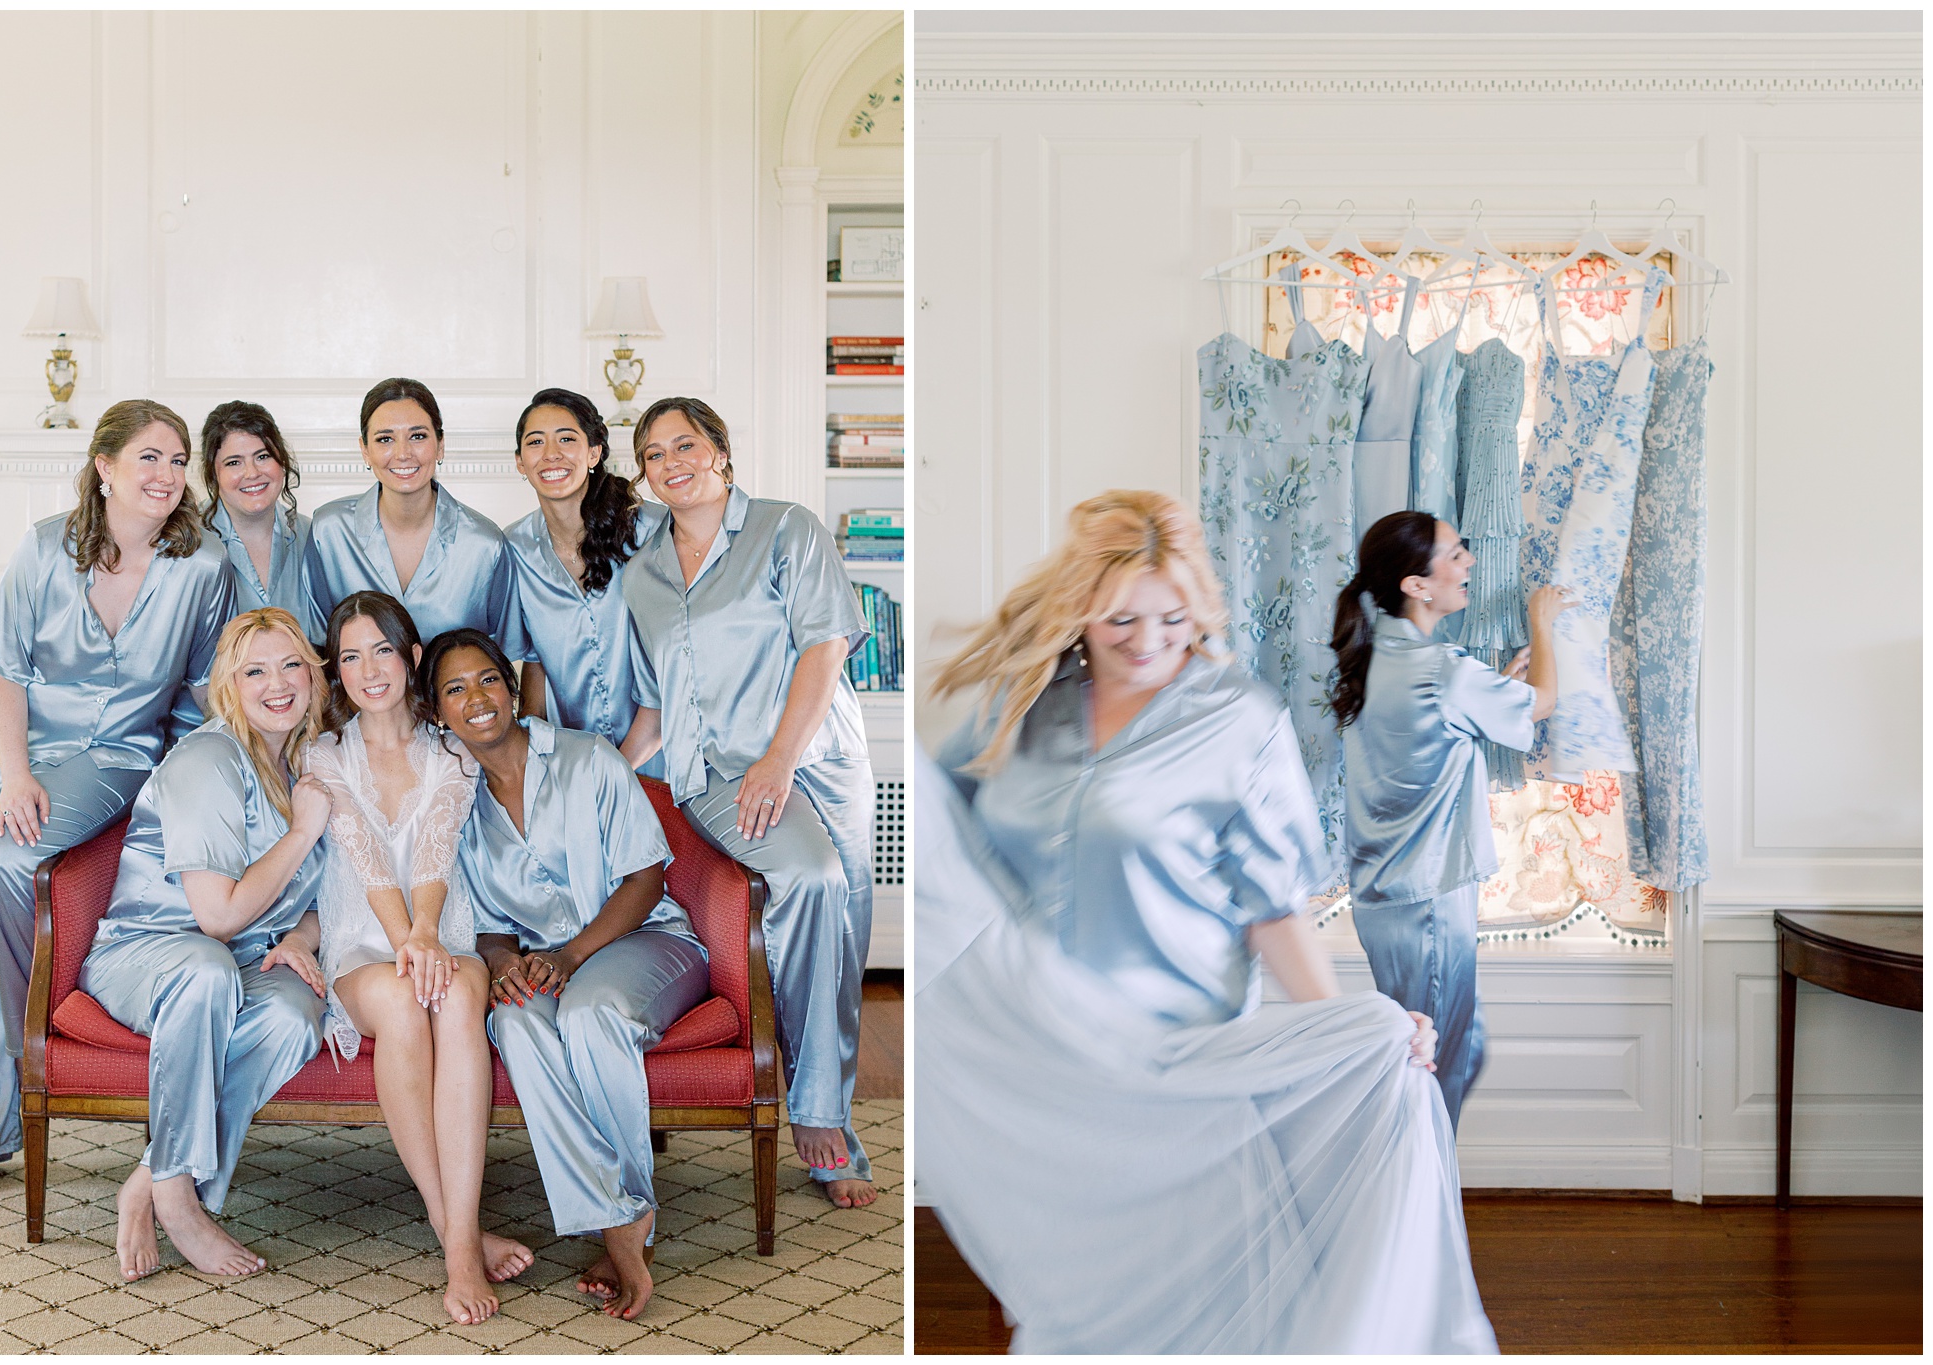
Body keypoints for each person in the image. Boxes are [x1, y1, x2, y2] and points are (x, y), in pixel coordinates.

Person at [920, 490, 1495, 1353]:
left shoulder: (1238, 720)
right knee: (1070, 1313)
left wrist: (1341, 1027)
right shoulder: (1020, 699)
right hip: (1052, 1067)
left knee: (1188, 1318)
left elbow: (1274, 911)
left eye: (1172, 618)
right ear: (1080, 606)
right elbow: (946, 841)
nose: (1148, 642)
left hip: (1182, 1072)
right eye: (1121, 618)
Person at [0, 400, 235, 1205]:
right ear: (104, 466)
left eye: (178, 460)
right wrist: (19, 773)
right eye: (149, 458)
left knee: (0, 860)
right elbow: (1, 673)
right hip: (12, 749)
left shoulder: (202, 567)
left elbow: (202, 698)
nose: (167, 475)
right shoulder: (42, 548)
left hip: (115, 756)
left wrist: (190, 791)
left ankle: (45, 1040)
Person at [617, 397, 876, 1209]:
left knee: (846, 917)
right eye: (654, 454)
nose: (672, 462)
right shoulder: (643, 573)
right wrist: (606, 780)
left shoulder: (787, 529)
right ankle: (819, 1119)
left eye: (685, 444)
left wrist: (780, 759)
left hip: (817, 760)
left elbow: (826, 644)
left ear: (722, 453)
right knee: (811, 879)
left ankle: (817, 1100)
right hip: (717, 778)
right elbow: (656, 707)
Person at [428, 629, 709, 1322]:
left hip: (644, 941)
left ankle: (627, 1229)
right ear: (438, 714)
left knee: (589, 1014)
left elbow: (646, 878)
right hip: (547, 961)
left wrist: (571, 956)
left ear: (512, 687)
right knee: (517, 1021)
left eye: (488, 680)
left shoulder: (586, 759)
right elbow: (487, 924)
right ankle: (618, 1218)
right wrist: (500, 966)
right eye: (455, 689)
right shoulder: (456, 806)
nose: (477, 699)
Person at [79, 609, 331, 1281]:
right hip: (150, 950)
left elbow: (324, 897)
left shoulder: (309, 760)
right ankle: (181, 1203)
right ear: (228, 685)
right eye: (255, 670)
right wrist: (303, 831)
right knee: (206, 972)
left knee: (294, 1013)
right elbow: (216, 916)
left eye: (290, 665)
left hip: (247, 955)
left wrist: (303, 938)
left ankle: (149, 1177)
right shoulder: (210, 757)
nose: (276, 683)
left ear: (313, 674)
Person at [306, 592, 533, 1324]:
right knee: (405, 1000)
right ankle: (458, 1240)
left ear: (409, 659)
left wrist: (428, 934)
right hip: (362, 937)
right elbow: (368, 861)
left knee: (461, 994)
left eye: (381, 651)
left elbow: (436, 844)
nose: (368, 669)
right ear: (336, 673)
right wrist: (405, 942)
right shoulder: (324, 754)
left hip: (446, 928)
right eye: (349, 656)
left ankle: (459, 1236)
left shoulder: (451, 749)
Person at [1331, 511, 1571, 1131]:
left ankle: (1410, 1207)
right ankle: (1417, 1215)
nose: (1468, 563)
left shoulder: (1378, 652)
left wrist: (1502, 679)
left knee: (1432, 1054)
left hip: (1389, 897)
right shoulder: (1442, 670)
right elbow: (1543, 705)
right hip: (1429, 898)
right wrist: (1542, 625)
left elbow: (1436, 729)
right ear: (1416, 584)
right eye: (1455, 553)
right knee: (1435, 1070)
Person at [304, 377, 513, 647]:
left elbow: (500, 658)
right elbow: (321, 647)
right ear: (365, 450)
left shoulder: (485, 544)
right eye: (385, 439)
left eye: (417, 436)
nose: (403, 453)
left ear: (440, 445)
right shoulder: (329, 531)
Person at [499, 388, 650, 753]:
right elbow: (533, 658)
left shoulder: (651, 531)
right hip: (579, 757)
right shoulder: (513, 549)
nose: (551, 454)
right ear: (520, 461)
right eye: (536, 442)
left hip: (666, 754)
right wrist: (531, 748)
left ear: (594, 452)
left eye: (567, 438)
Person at [198, 400, 318, 637]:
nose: (252, 473)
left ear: (282, 461)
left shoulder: (314, 536)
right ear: (213, 473)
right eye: (234, 462)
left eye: (262, 457)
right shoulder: (186, 539)